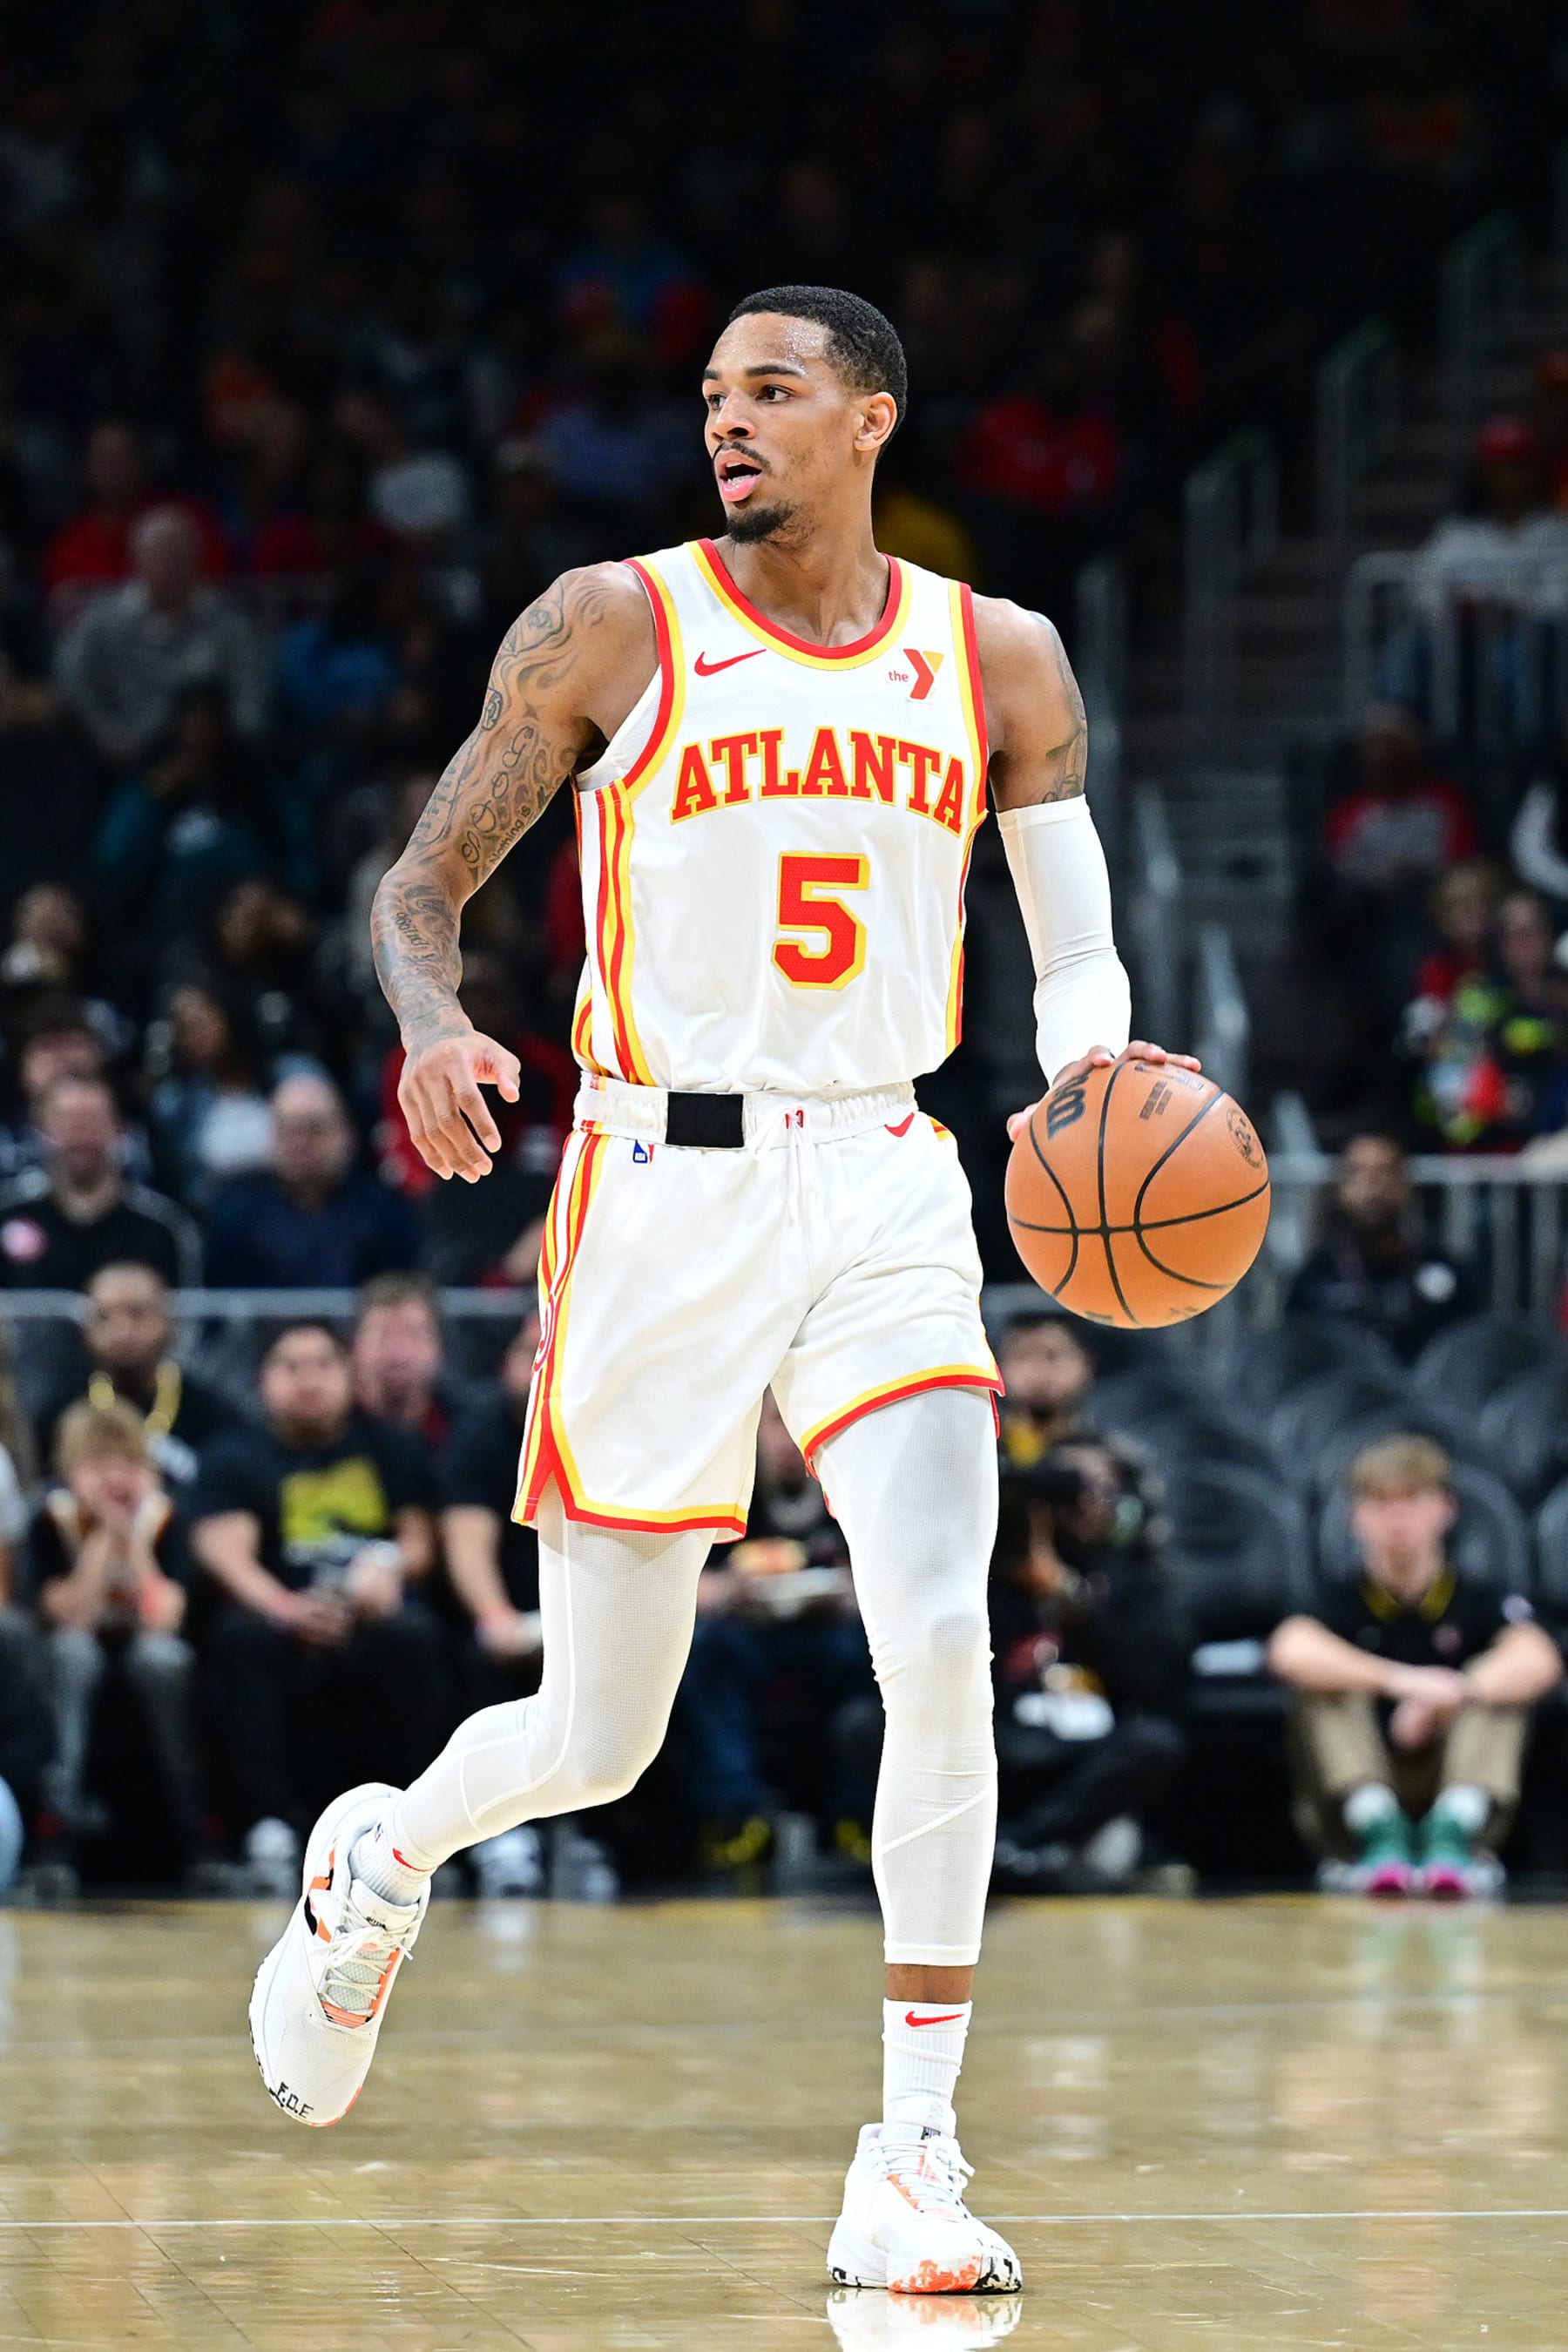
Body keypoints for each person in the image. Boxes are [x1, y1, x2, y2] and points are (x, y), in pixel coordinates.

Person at [252, 282, 1186, 2300]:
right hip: (657, 1183)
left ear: (874, 419)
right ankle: (386, 1848)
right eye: (709, 397)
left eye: (770, 392)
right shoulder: (613, 619)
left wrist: (1098, 1064)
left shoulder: (997, 657)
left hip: (885, 1170)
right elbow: (419, 878)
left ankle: (912, 2150)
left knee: (943, 1628)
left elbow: (1077, 943)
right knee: (602, 1729)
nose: (728, 424)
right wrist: (430, 1019)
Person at [190, 1321, 446, 1895]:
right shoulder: (235, 1456)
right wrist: (283, 1606)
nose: (308, 1381)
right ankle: (266, 1827)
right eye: (291, 1366)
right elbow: (224, 1552)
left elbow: (420, 1540)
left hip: (368, 1615)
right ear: (264, 1379)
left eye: (322, 1365)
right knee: (239, 1637)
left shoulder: (391, 1448)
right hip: (278, 1614)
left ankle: (404, 1829)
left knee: (415, 1637)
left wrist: (388, 1569)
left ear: (349, 1374)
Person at [1270, 1436, 1562, 1897]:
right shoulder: (1338, 1598)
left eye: (1412, 1500)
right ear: (1357, 1517)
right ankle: (1377, 1829)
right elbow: (1289, 1650)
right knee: (1325, 1679)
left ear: (1446, 1509)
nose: (1398, 1518)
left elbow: (1540, 1658)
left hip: (1449, 1780)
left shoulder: (1478, 1596)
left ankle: (1454, 1832)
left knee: (1499, 1680)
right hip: (1360, 1798)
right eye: (1381, 1502)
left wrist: (1457, 1693)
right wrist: (1402, 1680)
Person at [680, 1391, 872, 1870]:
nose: (788, 1439)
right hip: (745, 1633)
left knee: (873, 1654)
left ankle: (857, 1816)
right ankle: (737, 1814)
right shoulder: (718, 1485)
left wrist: (851, 1588)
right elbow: (675, 1581)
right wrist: (726, 1587)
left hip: (824, 1633)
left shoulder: (851, 1482)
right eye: (775, 1424)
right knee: (704, 1652)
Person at [989, 1441, 1189, 1892]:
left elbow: (1154, 1684)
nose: (1079, 1503)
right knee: (870, 1722)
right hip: (1004, 1746)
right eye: (1065, 1487)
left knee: (1155, 1743)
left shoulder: (1137, 1576)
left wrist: (1067, 1594)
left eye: (1096, 1489)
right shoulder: (999, 1571)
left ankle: (1017, 1843)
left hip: (1090, 1757)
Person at [30, 1401, 204, 1857]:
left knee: (162, 1659)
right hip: (80, 1654)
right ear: (70, 1471)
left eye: (127, 1462)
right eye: (97, 1464)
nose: (115, 1478)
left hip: (146, 1651)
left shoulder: (167, 1521)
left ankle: (196, 1823)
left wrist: (136, 1541)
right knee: (71, 1652)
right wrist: (106, 1538)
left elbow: (162, 1619)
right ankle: (57, 1827)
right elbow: (75, 1616)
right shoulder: (51, 1521)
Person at [438, 1314, 548, 1896]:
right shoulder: (482, 1436)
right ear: (506, 1364)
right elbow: (466, 1539)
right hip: (506, 1616)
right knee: (485, 1665)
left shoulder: (609, 1431)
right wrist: (495, 1617)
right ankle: (497, 1835)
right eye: (530, 1351)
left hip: (591, 1615)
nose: (541, 1366)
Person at [53, 504, 270, 771]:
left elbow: (250, 689)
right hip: (130, 755)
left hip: (217, 760)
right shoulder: (103, 621)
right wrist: (108, 735)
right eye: (161, 556)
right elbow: (73, 680)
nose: (171, 567)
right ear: (137, 559)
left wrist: (236, 744)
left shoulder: (228, 621)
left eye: (180, 556)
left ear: (197, 560)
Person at [32, 1261, 240, 1490]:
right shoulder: (60, 1412)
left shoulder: (212, 1413)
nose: (121, 1331)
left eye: (137, 1313)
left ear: (169, 1321)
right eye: (104, 1317)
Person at [203, 1072, 419, 1288]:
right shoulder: (233, 1213)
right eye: (289, 1130)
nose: (300, 1143)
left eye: (314, 1129)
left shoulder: (386, 1211)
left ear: (347, 1134)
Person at [1285, 1132, 1477, 1362]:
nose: (1371, 1186)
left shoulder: (1448, 1273)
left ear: (1407, 1186)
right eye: (1357, 1172)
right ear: (1339, 1189)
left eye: (1384, 1172)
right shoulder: (1314, 1281)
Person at [0, 1075, 199, 1291]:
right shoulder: (7, 1212)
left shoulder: (163, 1226)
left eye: (92, 1120)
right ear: (40, 1129)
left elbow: (187, 1318)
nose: (80, 1134)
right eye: (68, 1121)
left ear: (120, 1128)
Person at [350, 1272, 463, 1460]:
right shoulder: (328, 1431)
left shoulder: (466, 1426)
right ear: (355, 1346)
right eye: (383, 1336)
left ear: (439, 1347)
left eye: (413, 1335)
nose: (398, 1354)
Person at [995, 1312, 1096, 1470]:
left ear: (1085, 1364)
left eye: (1052, 1356)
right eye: (1021, 1356)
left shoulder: (1112, 1463)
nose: (1037, 1371)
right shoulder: (982, 1455)